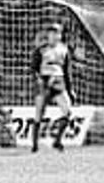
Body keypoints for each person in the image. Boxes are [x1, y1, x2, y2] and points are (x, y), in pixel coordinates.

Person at [30, 22, 74, 153]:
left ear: (60, 35)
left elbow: (67, 71)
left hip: (59, 83)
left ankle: (57, 141)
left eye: (56, 33)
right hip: (44, 83)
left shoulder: (65, 50)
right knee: (39, 113)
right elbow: (33, 68)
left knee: (67, 112)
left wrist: (70, 89)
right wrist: (38, 80)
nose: (54, 36)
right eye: (51, 33)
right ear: (47, 35)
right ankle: (35, 145)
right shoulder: (41, 50)